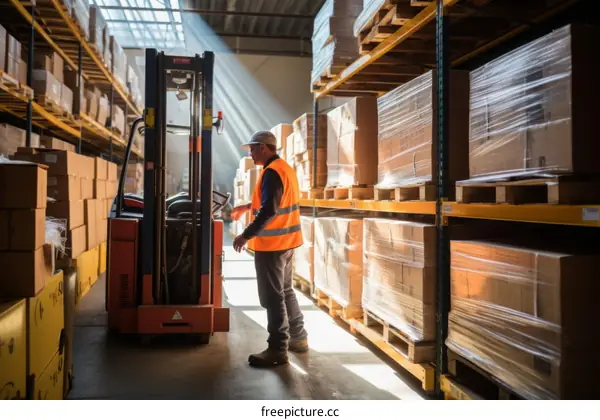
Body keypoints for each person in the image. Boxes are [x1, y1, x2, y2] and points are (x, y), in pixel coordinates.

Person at [231, 130, 308, 367]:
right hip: (287, 242)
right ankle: (299, 338)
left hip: (272, 246)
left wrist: (245, 235)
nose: (251, 154)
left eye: (252, 149)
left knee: (272, 297)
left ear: (264, 147)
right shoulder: (284, 168)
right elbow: (274, 202)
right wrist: (246, 206)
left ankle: (277, 349)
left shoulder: (272, 173)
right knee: (285, 291)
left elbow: (269, 210)